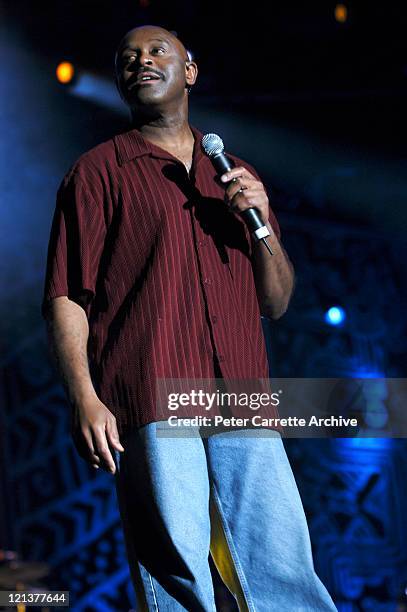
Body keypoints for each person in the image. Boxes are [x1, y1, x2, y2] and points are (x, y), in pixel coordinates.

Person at [41, 24, 337, 612]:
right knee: (177, 566)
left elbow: (276, 300)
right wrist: (84, 397)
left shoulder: (233, 172)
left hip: (242, 390)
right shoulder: (99, 171)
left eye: (157, 52)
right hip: (152, 388)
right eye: (128, 57)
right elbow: (68, 294)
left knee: (281, 560)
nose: (141, 61)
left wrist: (263, 219)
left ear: (190, 72)